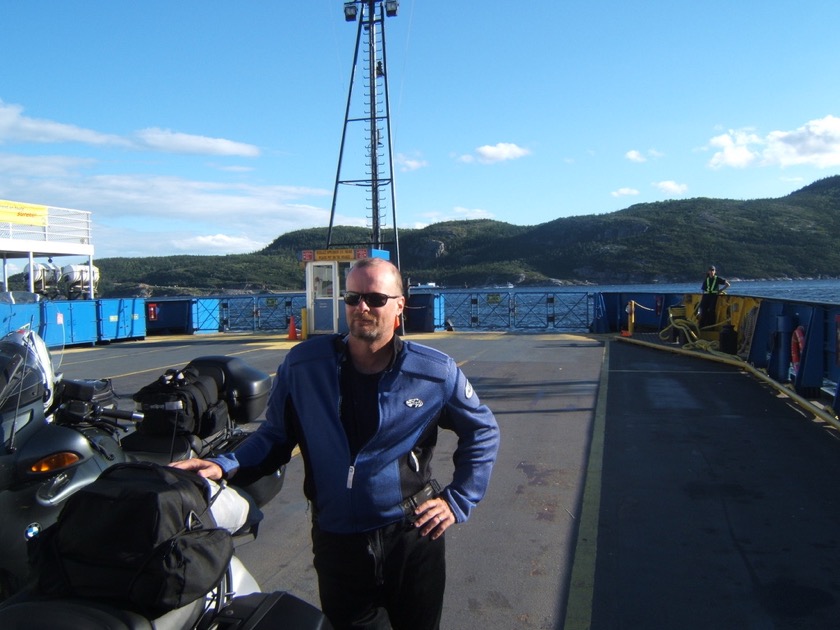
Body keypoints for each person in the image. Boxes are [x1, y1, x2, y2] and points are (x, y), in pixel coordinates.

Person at [172, 257, 500, 630]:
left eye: (376, 299)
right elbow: (275, 436)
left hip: (412, 536)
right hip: (337, 540)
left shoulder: (433, 372)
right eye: (352, 297)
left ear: (399, 306)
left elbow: (482, 431)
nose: (362, 307)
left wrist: (457, 500)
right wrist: (225, 464)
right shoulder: (303, 366)